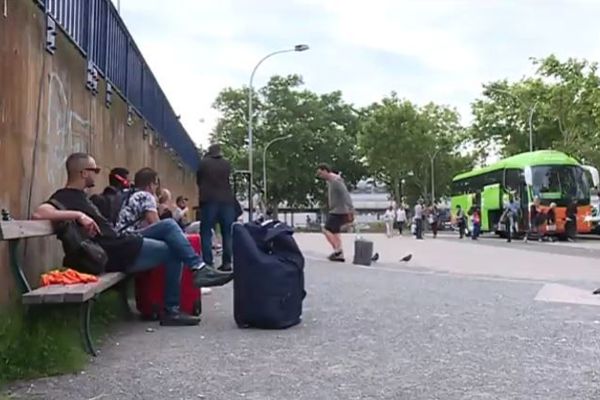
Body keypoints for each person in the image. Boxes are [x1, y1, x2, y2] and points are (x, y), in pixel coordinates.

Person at [32, 154, 232, 326]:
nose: (97, 173)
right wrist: (78, 215)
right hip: (111, 251)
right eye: (95, 169)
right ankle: (172, 308)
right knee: (173, 250)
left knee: (169, 226)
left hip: (120, 242)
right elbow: (39, 214)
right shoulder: (64, 196)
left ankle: (198, 269)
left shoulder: (83, 196)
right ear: (84, 172)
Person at [196, 144, 236, 272]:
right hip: (226, 200)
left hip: (209, 200)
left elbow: (199, 180)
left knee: (206, 232)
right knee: (227, 233)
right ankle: (227, 262)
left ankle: (208, 264)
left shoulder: (204, 164)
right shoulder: (226, 164)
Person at [316, 163, 354, 262]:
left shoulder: (335, 181)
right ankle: (339, 254)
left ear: (325, 171)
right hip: (336, 209)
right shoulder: (330, 181)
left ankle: (338, 251)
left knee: (325, 229)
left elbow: (345, 194)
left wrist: (351, 208)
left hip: (339, 210)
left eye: (320, 174)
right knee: (336, 232)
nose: (320, 176)